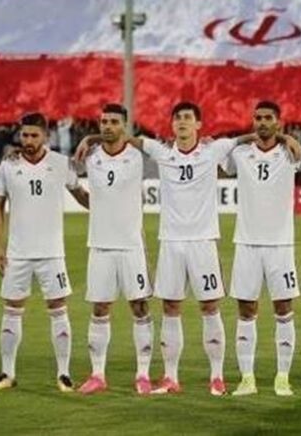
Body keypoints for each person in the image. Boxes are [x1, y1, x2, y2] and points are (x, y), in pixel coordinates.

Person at [76, 101, 256, 396]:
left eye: (187, 118)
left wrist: (287, 139)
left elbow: (248, 137)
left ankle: (217, 377)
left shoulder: (214, 149)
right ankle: (171, 377)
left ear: (198, 124)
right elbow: (123, 137)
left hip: (203, 242)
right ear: (172, 125)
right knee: (170, 308)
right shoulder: (161, 152)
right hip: (170, 242)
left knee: (210, 307)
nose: (182, 122)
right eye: (177, 118)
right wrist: (90, 137)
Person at [0, 112, 89, 392]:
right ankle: (7, 373)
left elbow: (80, 194)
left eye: (34, 135)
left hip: (52, 253)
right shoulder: (9, 165)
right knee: (11, 309)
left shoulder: (60, 163)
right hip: (18, 253)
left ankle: (64, 374)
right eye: (25, 135)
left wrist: (109, 204)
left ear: (46, 136)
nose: (28, 140)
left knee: (58, 309)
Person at [224, 101, 301, 397]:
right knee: (246, 310)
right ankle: (247, 378)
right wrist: (270, 137)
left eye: (268, 118)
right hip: (246, 243)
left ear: (278, 122)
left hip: (280, 245)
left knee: (284, 309)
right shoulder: (240, 153)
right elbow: (218, 155)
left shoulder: (291, 153)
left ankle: (282, 377)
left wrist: (288, 140)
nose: (261, 122)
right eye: (257, 118)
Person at [75, 104, 155, 395]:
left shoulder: (137, 156)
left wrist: (89, 137)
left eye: (113, 121)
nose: (107, 126)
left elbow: (161, 146)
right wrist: (89, 141)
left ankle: (143, 374)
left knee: (140, 307)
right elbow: (68, 176)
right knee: (99, 308)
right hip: (100, 245)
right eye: (104, 121)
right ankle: (97, 374)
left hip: (132, 246)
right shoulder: (91, 157)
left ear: (125, 125)